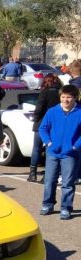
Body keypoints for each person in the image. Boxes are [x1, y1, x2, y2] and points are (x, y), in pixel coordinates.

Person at [38, 84, 80, 220]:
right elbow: (43, 128)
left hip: (70, 154)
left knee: (68, 183)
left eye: (69, 97)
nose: (65, 100)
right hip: (53, 153)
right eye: (63, 97)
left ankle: (66, 208)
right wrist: (49, 142)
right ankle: (47, 204)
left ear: (75, 98)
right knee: (50, 181)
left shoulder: (79, 112)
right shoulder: (52, 111)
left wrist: (75, 146)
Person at [29, 73, 61, 183]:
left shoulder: (44, 92)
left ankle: (32, 174)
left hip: (41, 123)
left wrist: (35, 118)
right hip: (55, 124)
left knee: (36, 148)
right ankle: (47, 174)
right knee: (49, 149)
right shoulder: (61, 93)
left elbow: (39, 108)